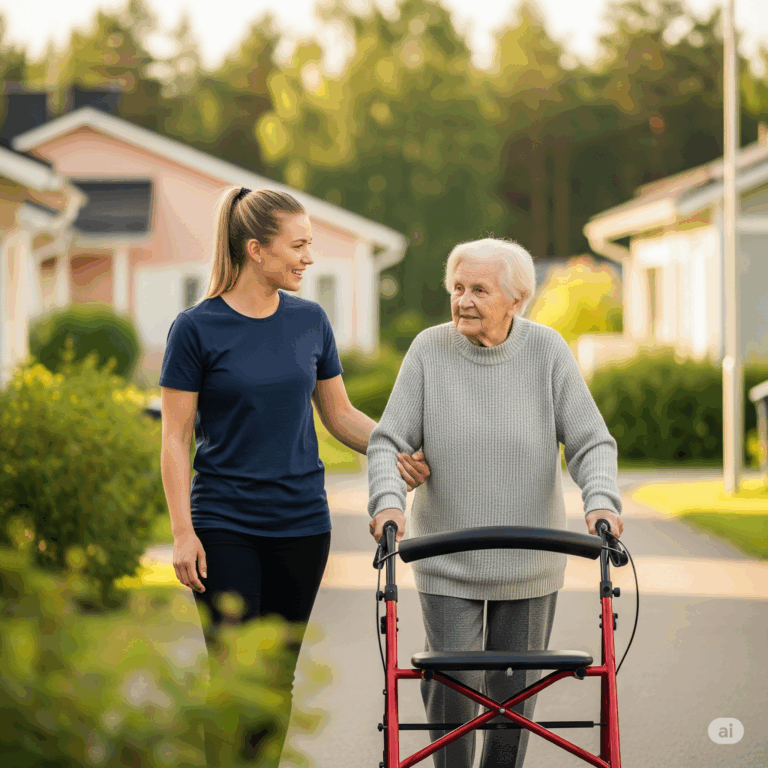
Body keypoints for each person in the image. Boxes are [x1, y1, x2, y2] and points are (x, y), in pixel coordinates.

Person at [158, 186, 430, 765]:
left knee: (277, 676)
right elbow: (175, 439)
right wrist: (183, 531)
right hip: (223, 523)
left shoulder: (310, 321)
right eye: (299, 245)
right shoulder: (195, 328)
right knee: (233, 673)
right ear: (256, 249)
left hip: (302, 525)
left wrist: (401, 450)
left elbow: (340, 415)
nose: (309, 257)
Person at [367, 237, 624, 768]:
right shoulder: (428, 351)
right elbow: (388, 442)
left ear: (516, 299)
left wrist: (600, 502)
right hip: (445, 557)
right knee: (452, 686)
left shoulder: (547, 350)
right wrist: (388, 504)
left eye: (479, 290)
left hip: (530, 558)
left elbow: (590, 441)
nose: (463, 300)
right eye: (457, 288)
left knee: (514, 696)